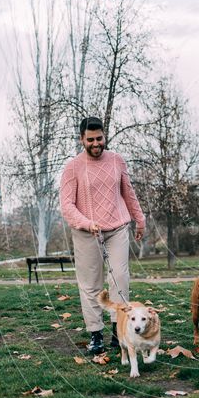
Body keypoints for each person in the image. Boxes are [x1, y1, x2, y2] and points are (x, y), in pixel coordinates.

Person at [60, 117, 145, 354]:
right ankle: (95, 335)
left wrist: (140, 219)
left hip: (117, 227)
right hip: (86, 232)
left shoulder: (117, 160)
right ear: (81, 140)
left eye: (99, 138)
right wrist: (87, 223)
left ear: (104, 136)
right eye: (90, 140)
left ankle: (119, 333)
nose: (96, 144)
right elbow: (67, 206)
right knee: (91, 284)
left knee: (120, 277)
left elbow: (128, 193)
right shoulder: (73, 167)